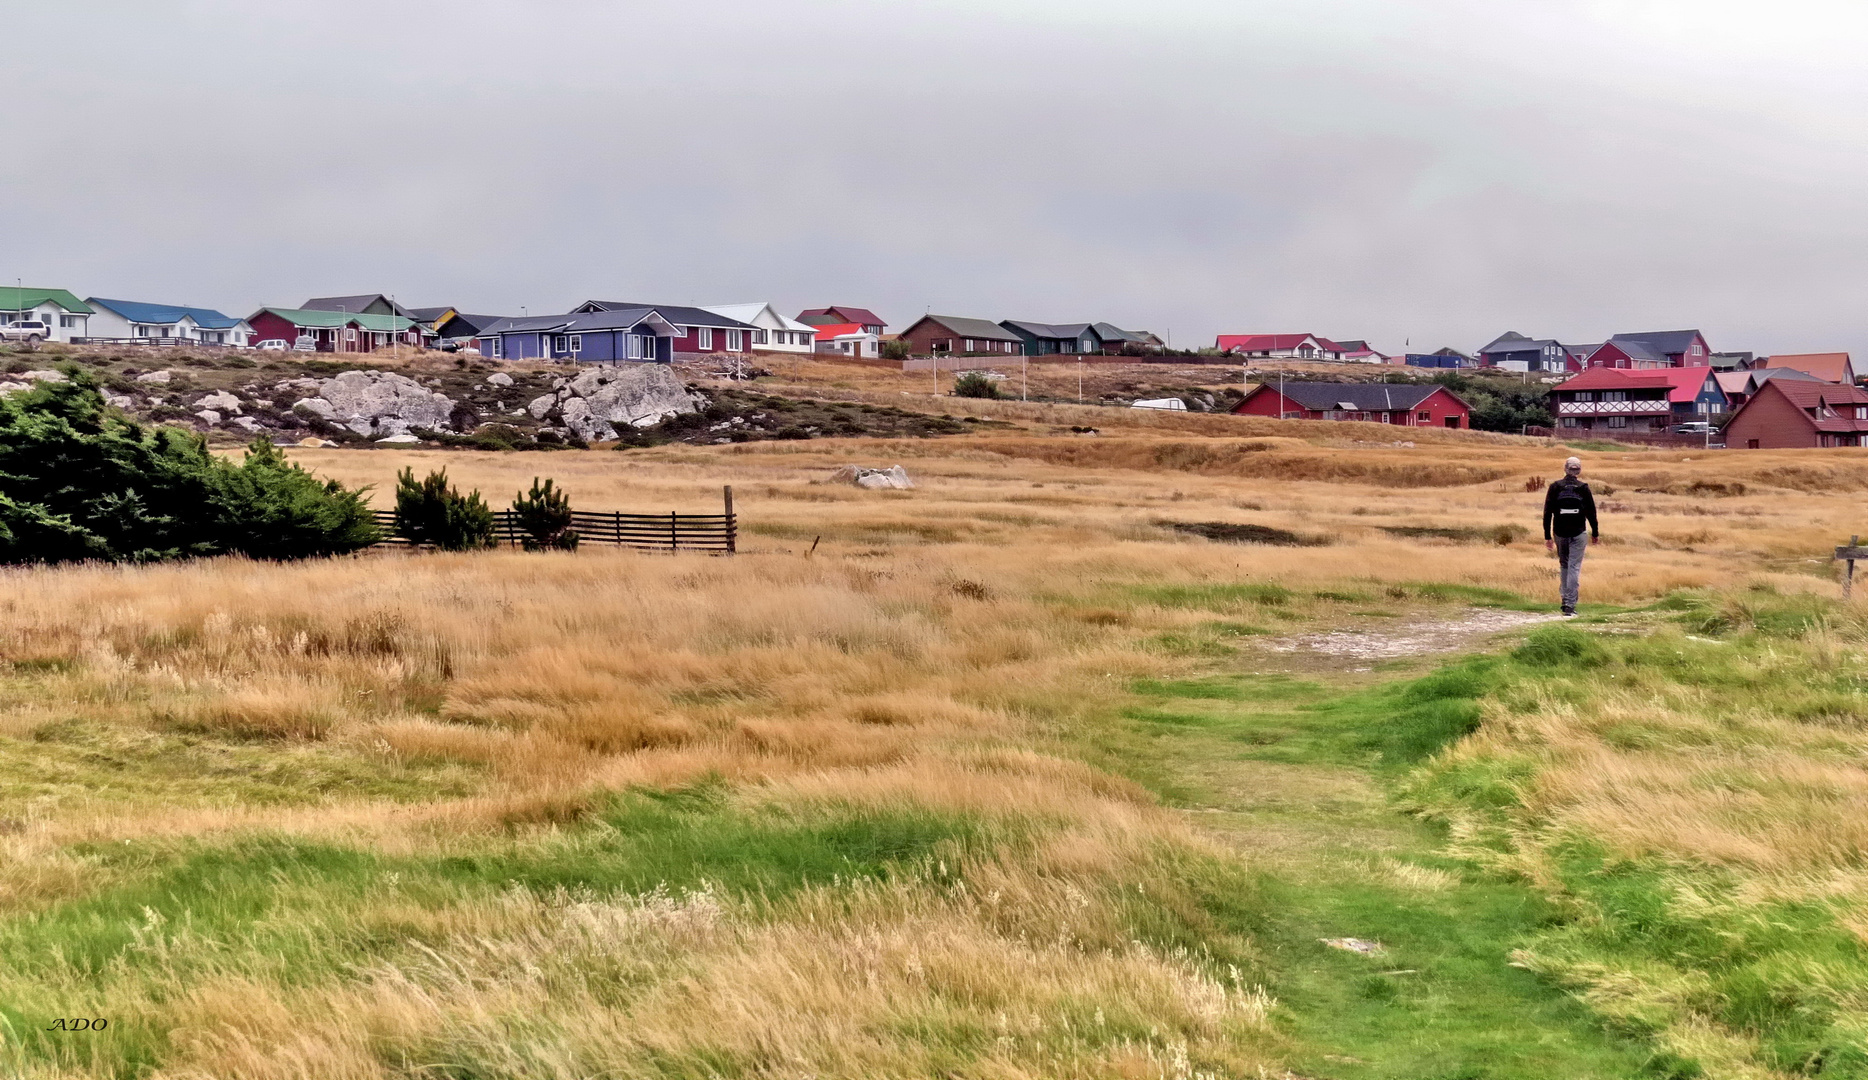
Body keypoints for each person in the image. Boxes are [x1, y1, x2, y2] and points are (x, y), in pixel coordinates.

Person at [1543, 457, 1599, 616]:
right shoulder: (1583, 488)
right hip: (1578, 532)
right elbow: (1591, 513)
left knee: (1564, 565)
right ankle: (1569, 605)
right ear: (1578, 470)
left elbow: (1547, 513)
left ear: (1565, 469)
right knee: (1574, 567)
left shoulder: (1555, 487)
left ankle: (1564, 599)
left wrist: (1548, 536)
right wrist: (1595, 533)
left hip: (1559, 532)